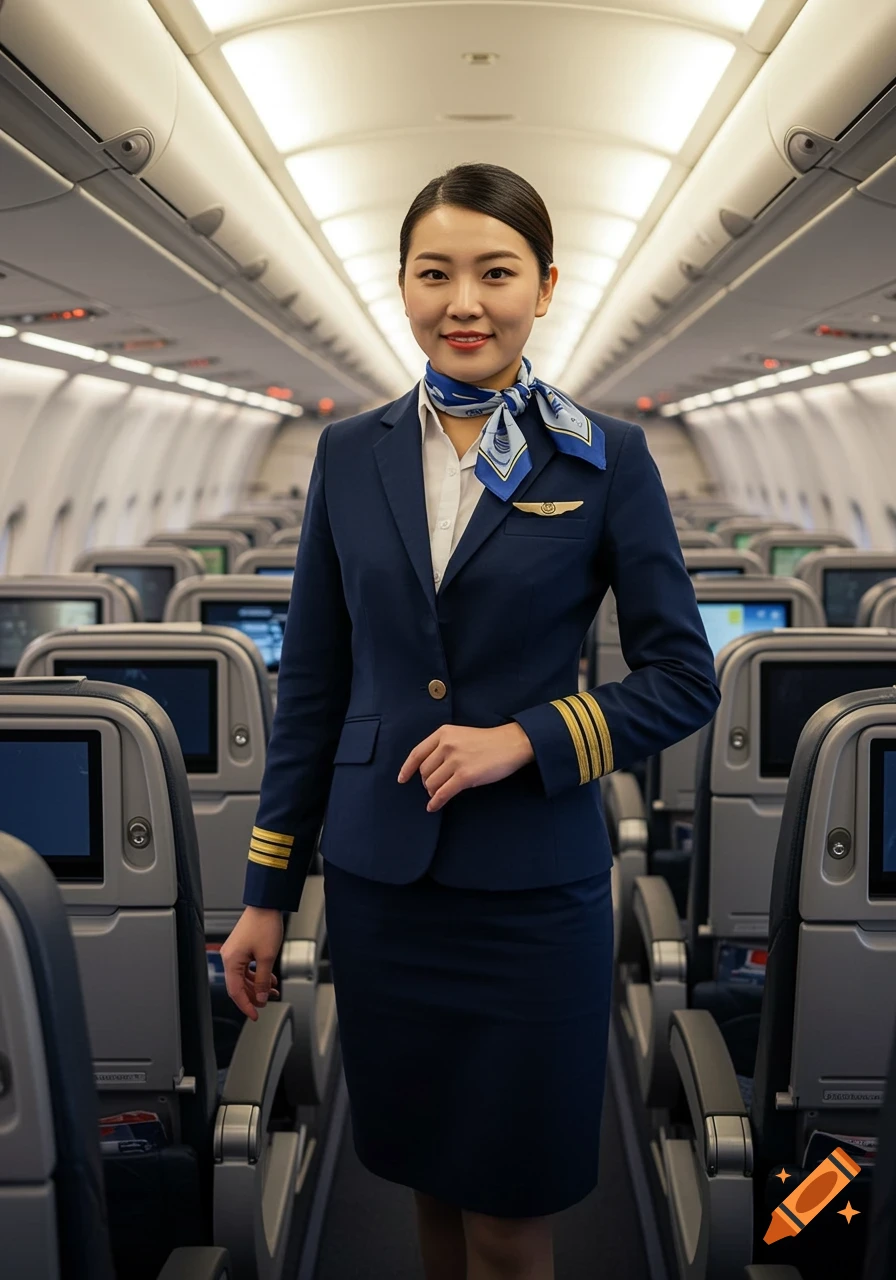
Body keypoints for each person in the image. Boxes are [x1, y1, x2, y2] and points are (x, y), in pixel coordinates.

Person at [221, 162, 720, 1280]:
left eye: (494, 273)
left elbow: (684, 678)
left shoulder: (602, 458)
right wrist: (265, 891)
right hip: (381, 889)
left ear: (543, 288)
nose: (464, 301)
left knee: (512, 1217)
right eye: (434, 272)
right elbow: (314, 683)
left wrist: (526, 738)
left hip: (531, 899)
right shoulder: (348, 455)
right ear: (399, 287)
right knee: (431, 1186)